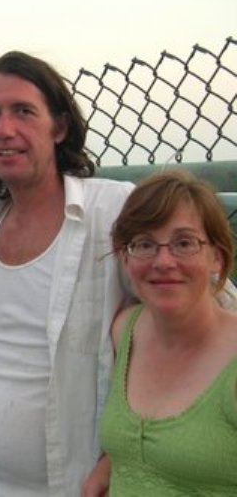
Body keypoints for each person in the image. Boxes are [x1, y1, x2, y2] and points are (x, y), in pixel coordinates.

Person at [0, 51, 135, 496]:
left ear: (58, 127)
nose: (4, 130)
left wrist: (121, 456)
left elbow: (200, 329)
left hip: (78, 484)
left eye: (23, 111)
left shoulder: (114, 211)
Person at [96, 170, 237, 495]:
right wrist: (109, 465)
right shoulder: (125, 332)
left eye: (184, 243)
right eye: (144, 244)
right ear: (126, 258)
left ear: (216, 256)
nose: (163, 261)